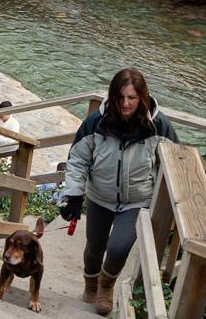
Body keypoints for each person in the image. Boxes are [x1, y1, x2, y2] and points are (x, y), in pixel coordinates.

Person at [59, 69, 178, 315]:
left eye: (132, 98)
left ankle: (106, 287)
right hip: (99, 196)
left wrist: (173, 203)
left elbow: (176, 162)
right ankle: (90, 283)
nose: (125, 104)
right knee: (95, 247)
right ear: (113, 96)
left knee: (118, 248)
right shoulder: (96, 122)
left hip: (137, 199)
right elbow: (78, 159)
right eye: (121, 97)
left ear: (142, 98)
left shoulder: (158, 126)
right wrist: (73, 194)